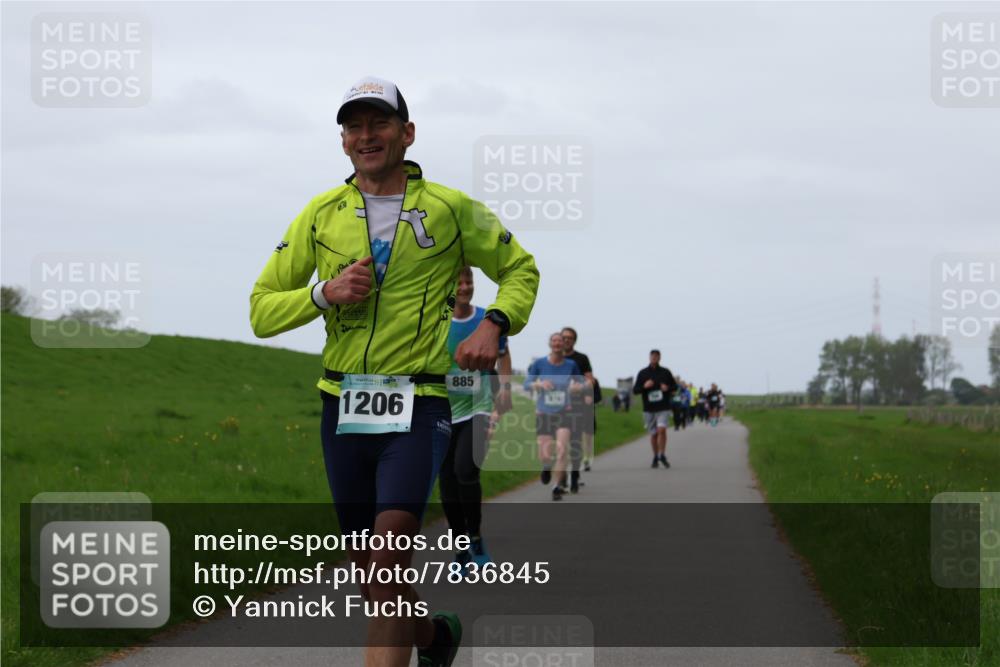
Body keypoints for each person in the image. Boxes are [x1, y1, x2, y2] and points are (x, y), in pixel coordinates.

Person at [249, 75, 539, 667]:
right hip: (342, 406)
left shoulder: (451, 209)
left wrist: (494, 323)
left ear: (406, 133)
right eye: (353, 126)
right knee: (373, 580)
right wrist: (324, 293)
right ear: (343, 141)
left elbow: (521, 268)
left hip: (420, 403)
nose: (366, 135)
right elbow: (261, 310)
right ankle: (434, 637)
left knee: (387, 563)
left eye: (378, 122)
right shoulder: (320, 214)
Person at [440, 267, 513, 570]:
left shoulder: (486, 320)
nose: (464, 287)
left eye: (468, 281)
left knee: (465, 470)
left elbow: (503, 355)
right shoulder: (437, 320)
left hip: (478, 407)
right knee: (447, 482)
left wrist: (505, 389)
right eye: (458, 282)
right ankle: (460, 549)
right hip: (443, 410)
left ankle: (475, 536)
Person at [525, 333, 583, 500]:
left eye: (560, 341)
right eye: (554, 341)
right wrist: (539, 384)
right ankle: (546, 466)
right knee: (545, 454)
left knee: (562, 450)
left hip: (564, 412)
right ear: (550, 344)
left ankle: (556, 486)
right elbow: (527, 384)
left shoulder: (571, 365)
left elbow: (581, 382)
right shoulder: (539, 363)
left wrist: (577, 387)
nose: (557, 343)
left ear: (564, 344)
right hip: (544, 412)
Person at [633, 350, 677, 468]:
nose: (654, 358)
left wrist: (667, 388)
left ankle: (662, 454)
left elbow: (675, 387)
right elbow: (635, 390)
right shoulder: (643, 373)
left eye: (656, 356)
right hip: (649, 408)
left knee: (661, 430)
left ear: (659, 358)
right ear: (649, 357)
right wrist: (644, 386)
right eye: (652, 356)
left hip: (663, 407)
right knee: (654, 434)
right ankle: (656, 456)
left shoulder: (665, 372)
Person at [561, 326, 595, 479]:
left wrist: (581, 387)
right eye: (564, 337)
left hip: (576, 403)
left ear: (574, 341)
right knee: (561, 441)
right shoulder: (553, 358)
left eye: (569, 338)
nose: (566, 340)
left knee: (575, 439)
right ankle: (562, 473)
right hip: (557, 405)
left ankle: (574, 471)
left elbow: (590, 380)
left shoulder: (582, 358)